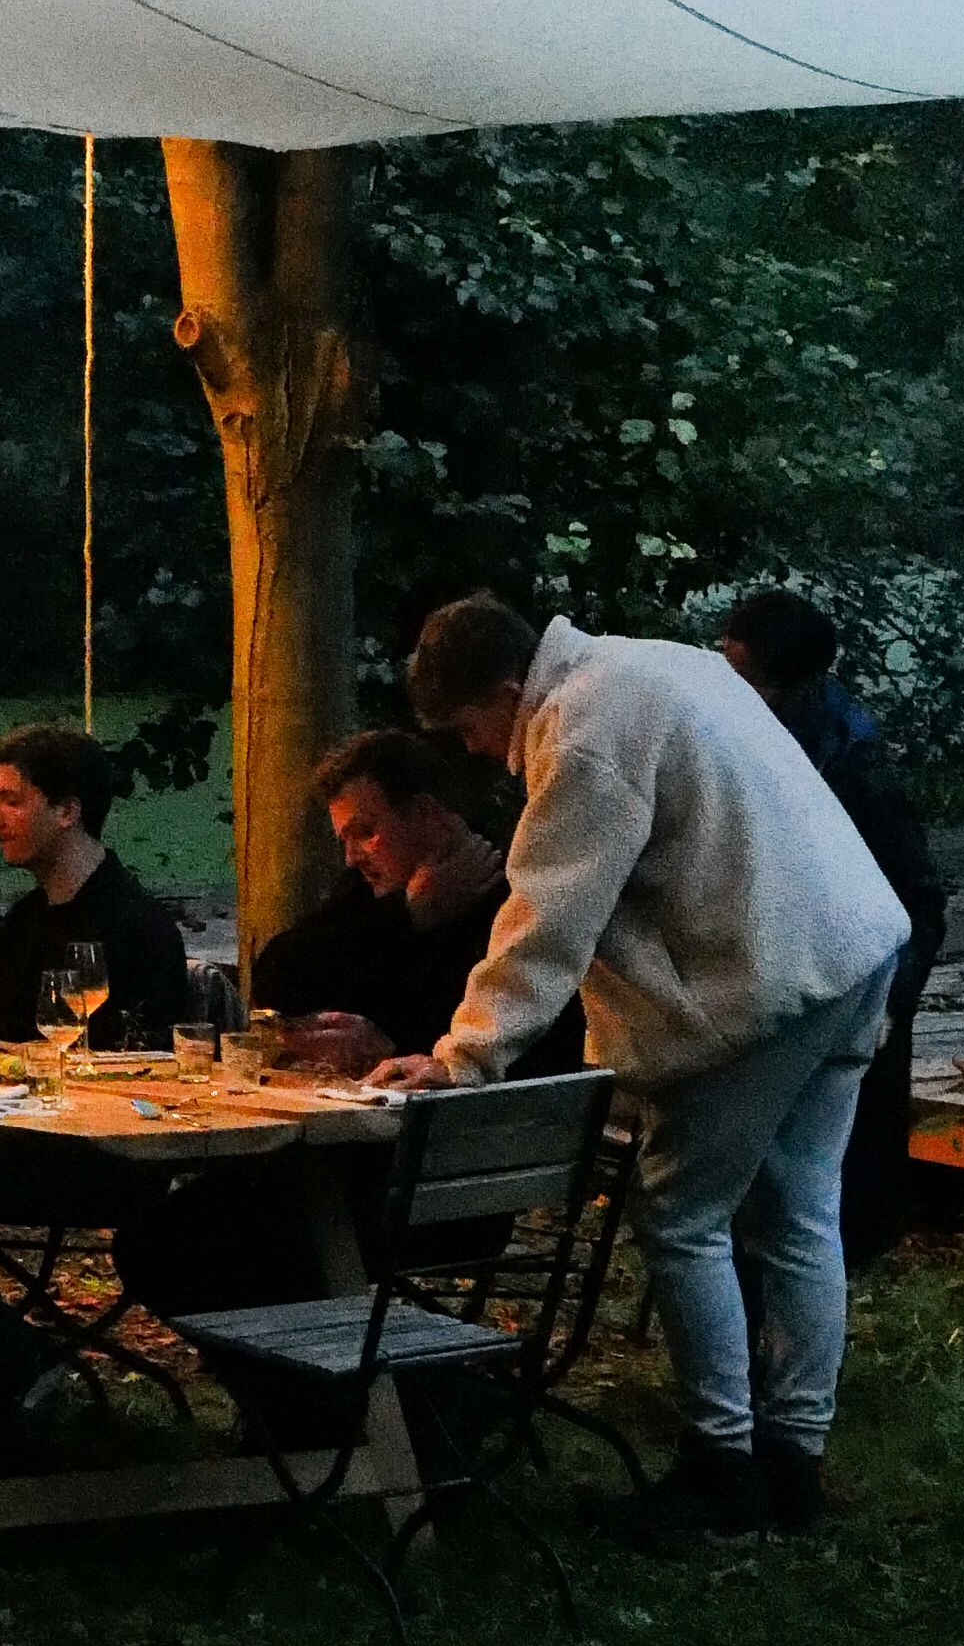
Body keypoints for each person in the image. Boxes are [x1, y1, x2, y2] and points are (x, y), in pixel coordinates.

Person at [377, 595, 912, 1537]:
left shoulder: (584, 728)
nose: (476, 750)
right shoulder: (655, 663)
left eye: (467, 728)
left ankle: (722, 1465)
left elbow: (549, 914)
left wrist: (464, 1057)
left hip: (769, 976)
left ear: (505, 689)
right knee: (799, 1213)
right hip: (851, 948)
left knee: (682, 1218)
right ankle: (793, 1463)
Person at [713, 588, 952, 1261]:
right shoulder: (742, 734)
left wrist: (892, 1004)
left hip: (857, 979)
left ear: (797, 685)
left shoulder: (856, 768)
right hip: (776, 972)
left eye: (749, 682)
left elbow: (919, 903)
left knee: (846, 1186)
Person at [255, 729, 528, 1070]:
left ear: (425, 813)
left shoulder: (513, 897)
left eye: (365, 832)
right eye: (344, 840)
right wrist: (407, 914)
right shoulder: (369, 890)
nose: (351, 858)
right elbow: (276, 977)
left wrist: (392, 1046)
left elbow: (509, 1041)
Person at [0, 721, 190, 1049]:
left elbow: (139, 1062)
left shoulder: (141, 930)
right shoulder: (23, 920)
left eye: (11, 802)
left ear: (67, 812)